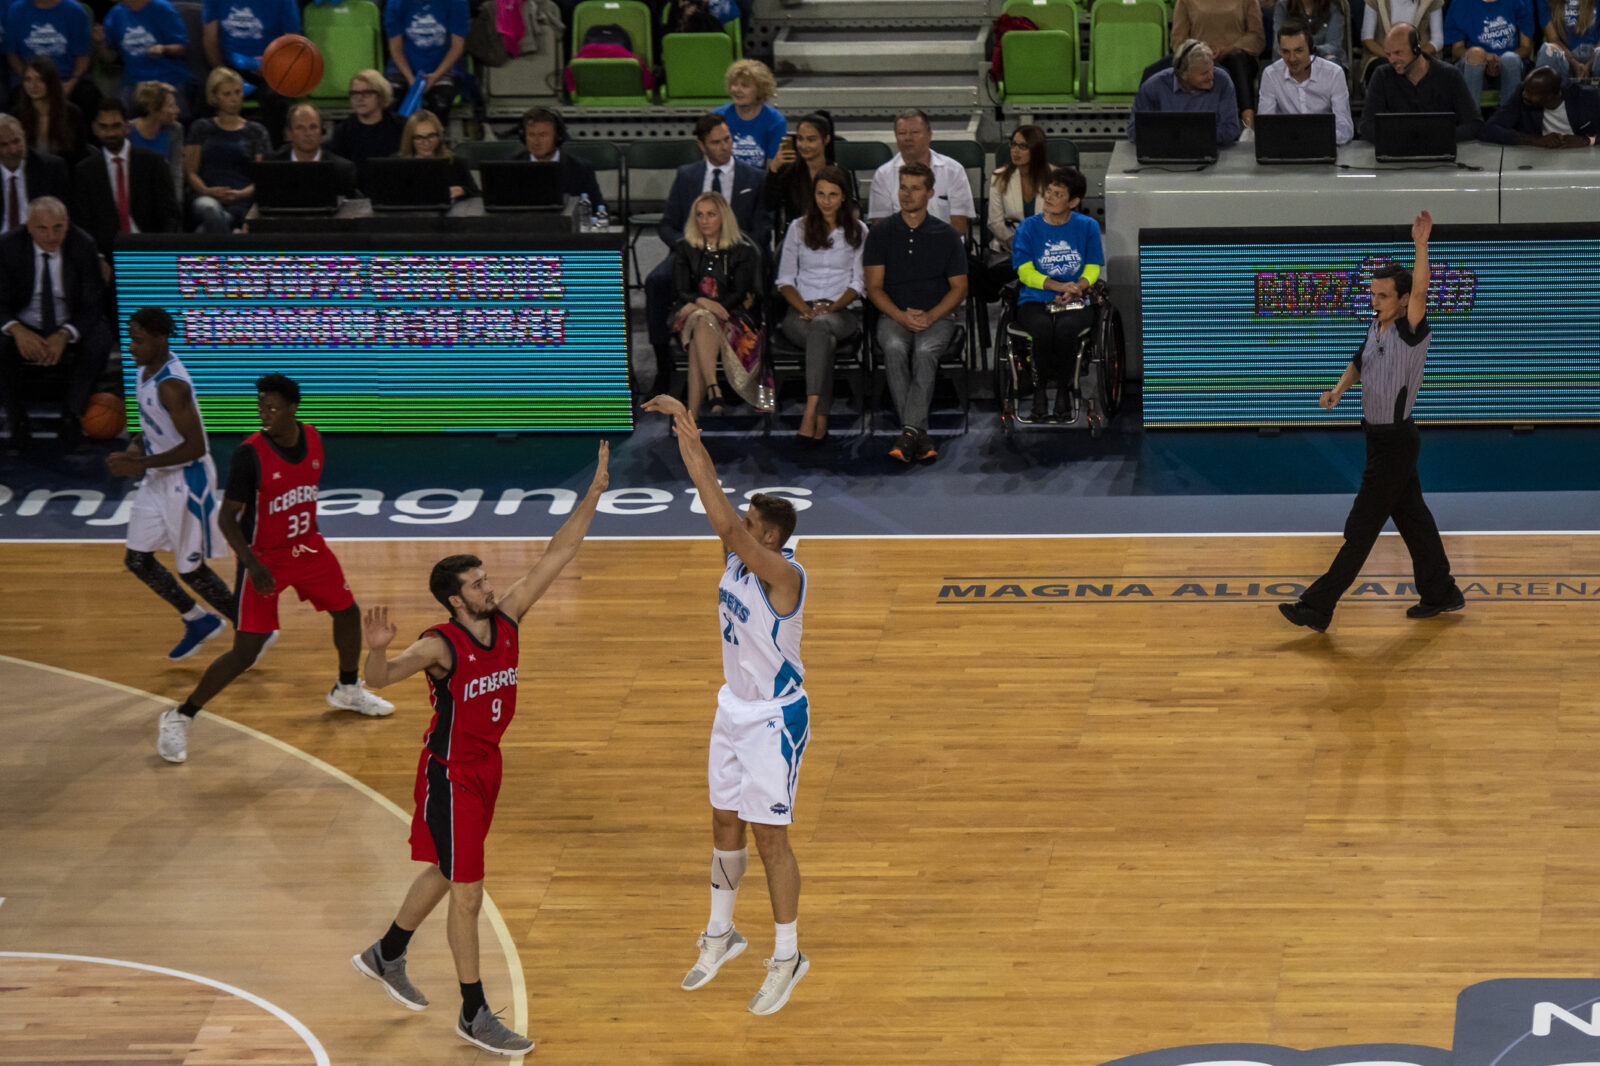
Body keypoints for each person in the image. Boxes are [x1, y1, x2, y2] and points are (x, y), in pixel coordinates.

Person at [351, 444, 609, 1057]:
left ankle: (386, 953)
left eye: (486, 578)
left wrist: (594, 493)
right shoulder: (439, 645)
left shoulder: (510, 616)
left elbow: (558, 552)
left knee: (445, 870)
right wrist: (378, 650)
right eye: (475, 585)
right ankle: (473, 1014)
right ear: (453, 600)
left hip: (487, 767)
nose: (488, 588)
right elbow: (381, 681)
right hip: (450, 776)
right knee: (467, 891)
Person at [639, 392, 812, 1017]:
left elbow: (727, 525)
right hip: (731, 708)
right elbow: (718, 504)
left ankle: (788, 955)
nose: (741, 522)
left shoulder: (785, 576)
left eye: (751, 522)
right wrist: (688, 436)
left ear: (770, 535)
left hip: (775, 718)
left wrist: (696, 452)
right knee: (723, 823)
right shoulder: (737, 561)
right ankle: (722, 933)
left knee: (772, 839)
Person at [157, 373, 394, 764]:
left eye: (272, 407)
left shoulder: (314, 438)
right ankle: (180, 716)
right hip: (264, 558)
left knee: (347, 613)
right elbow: (227, 519)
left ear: (293, 408)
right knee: (246, 651)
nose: (265, 414)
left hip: (309, 547)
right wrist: (251, 563)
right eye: (260, 407)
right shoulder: (249, 454)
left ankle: (347, 688)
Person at [1279, 211, 1464, 633]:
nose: (1375, 301)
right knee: (1413, 518)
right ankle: (1441, 591)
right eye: (1374, 294)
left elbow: (1421, 289)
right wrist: (1338, 390)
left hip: (1396, 442)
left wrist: (1421, 246)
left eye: (1383, 296)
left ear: (1402, 300)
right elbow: (1360, 362)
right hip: (1378, 440)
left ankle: (1318, 606)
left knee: (1360, 528)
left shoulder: (1411, 328)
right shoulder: (1375, 328)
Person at [106, 307, 239, 660]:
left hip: (187, 480)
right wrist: (136, 446)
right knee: (138, 560)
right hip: (158, 476)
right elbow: (148, 423)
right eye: (129, 338)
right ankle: (198, 620)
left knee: (191, 571)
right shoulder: (144, 368)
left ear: (161, 339)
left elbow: (196, 447)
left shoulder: (172, 385)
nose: (130, 346)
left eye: (137, 339)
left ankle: (252, 628)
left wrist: (139, 463)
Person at [646, 112, 766, 399]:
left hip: (735, 256)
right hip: (692, 254)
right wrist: (688, 248)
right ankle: (663, 365)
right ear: (702, 145)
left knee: (752, 279)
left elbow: (762, 228)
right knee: (656, 282)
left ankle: (748, 360)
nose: (725, 147)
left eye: (728, 140)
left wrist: (733, 248)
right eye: (716, 142)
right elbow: (667, 225)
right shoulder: (687, 176)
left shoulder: (755, 177)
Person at [863, 162, 968, 465]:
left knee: (925, 351)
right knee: (894, 348)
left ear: (930, 193)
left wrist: (931, 315)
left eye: (915, 188)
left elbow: (959, 288)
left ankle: (908, 434)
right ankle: (917, 434)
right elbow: (874, 287)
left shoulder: (947, 235)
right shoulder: (881, 234)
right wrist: (900, 315)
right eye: (903, 187)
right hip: (893, 316)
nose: (907, 194)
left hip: (937, 317)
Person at [0, 196, 112, 453]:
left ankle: (71, 415)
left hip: (67, 320)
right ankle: (17, 419)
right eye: (42, 229)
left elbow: (93, 305)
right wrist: (17, 330)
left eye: (58, 228)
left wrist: (65, 333)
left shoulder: (83, 245)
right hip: (24, 321)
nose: (51, 236)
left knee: (100, 337)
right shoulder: (7, 247)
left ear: (67, 225)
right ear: (29, 226)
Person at [774, 164, 866, 444]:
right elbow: (785, 280)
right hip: (799, 313)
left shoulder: (859, 231)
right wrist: (805, 309)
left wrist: (832, 307)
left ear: (843, 197)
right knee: (820, 332)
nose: (826, 200)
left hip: (842, 313)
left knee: (823, 326)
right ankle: (820, 419)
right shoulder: (797, 228)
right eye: (821, 194)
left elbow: (858, 283)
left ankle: (810, 412)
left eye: (833, 194)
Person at [1010, 166, 1104, 424]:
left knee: (1066, 330)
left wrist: (1077, 287)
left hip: (1076, 298)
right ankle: (1039, 392)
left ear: (1073, 201)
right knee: (1041, 329)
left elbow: (1093, 266)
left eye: (1058, 194)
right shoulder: (1028, 228)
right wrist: (1058, 286)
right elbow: (1025, 272)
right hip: (1036, 298)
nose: (1049, 198)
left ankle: (1064, 392)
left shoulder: (1088, 226)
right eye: (1048, 192)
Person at [668, 191, 763, 418]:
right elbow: (680, 290)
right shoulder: (685, 248)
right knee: (703, 319)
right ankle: (713, 388)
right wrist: (701, 302)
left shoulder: (743, 251)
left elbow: (738, 294)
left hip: (733, 317)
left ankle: (692, 417)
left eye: (711, 214)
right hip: (690, 316)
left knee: (701, 328)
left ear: (723, 217)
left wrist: (701, 307)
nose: (704, 220)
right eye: (699, 215)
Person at [73, 97, 182, 260]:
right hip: (107, 257)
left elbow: (170, 215)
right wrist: (98, 257)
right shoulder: (85, 171)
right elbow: (82, 222)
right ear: (95, 129)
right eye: (104, 127)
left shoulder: (153, 163)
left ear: (127, 126)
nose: (110, 133)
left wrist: (160, 251)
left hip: (151, 251)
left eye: (116, 126)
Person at [1359, 22, 1481, 140]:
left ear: (1417, 48)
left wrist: (1439, 138)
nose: (1392, 60)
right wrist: (1404, 138)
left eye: (1398, 53)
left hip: (1439, 150)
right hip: (1398, 151)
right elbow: (1367, 126)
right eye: (1388, 54)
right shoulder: (1382, 76)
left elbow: (1474, 123)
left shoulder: (1449, 75)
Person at [185, 66, 269, 233]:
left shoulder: (256, 131)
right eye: (227, 94)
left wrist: (240, 194)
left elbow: (262, 177)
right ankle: (230, 240)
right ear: (214, 97)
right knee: (210, 210)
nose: (234, 99)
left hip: (243, 200)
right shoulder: (201, 128)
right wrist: (207, 191)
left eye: (238, 92)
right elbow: (191, 172)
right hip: (206, 197)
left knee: (203, 231)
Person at [865, 108, 975, 236]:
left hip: (944, 245)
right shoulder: (883, 175)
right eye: (902, 133)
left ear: (929, 135)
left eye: (915, 132)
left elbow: (959, 227)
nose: (908, 138)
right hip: (899, 247)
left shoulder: (954, 171)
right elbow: (880, 226)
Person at [201, 0, 298, 141]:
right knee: (205, 98)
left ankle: (271, 155)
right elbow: (210, 39)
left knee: (275, 99)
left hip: (271, 69)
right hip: (230, 68)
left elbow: (294, 41)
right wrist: (221, 73)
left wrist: (273, 62)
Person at [1128, 40, 1244, 145]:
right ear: (1184, 74)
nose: (1211, 76)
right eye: (1204, 73)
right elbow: (1135, 132)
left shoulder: (1222, 81)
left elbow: (1231, 129)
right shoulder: (1152, 87)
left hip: (1211, 150)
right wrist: (1177, 140)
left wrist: (1190, 138)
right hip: (1165, 152)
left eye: (1211, 69)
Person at [1258, 20, 1356, 144]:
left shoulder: (1334, 74)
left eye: (1298, 51)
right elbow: (1265, 127)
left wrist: (1311, 140)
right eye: (1286, 52)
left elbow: (1345, 129)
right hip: (1286, 149)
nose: (1292, 58)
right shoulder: (1271, 75)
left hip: (1324, 147)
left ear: (1310, 49)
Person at [1171, 0, 1265, 127]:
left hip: (1238, 57)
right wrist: (1202, 51)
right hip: (1197, 58)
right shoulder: (1184, 2)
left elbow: (1256, 36)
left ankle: (1248, 122)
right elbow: (1178, 40)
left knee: (1237, 59)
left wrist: (1228, 49)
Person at [983, 123, 1048, 300]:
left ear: (1036, 150)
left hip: (1045, 247)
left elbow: (1060, 219)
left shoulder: (1053, 177)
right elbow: (994, 222)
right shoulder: (1000, 177)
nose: (1015, 151)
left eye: (1023, 146)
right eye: (1013, 144)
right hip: (1009, 247)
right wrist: (1016, 244)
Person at [384, 0, 472, 127]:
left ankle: (433, 141)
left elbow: (457, 46)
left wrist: (436, 75)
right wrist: (410, 79)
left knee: (441, 101)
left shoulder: (457, 2)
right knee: (391, 99)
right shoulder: (396, 3)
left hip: (443, 67)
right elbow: (395, 47)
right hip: (403, 67)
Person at [5, 0, 97, 119]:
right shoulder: (16, 10)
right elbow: (12, 55)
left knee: (88, 97)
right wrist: (30, 81)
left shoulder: (75, 11)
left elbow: (83, 56)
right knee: (15, 102)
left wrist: (71, 83)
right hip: (30, 80)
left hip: (67, 80)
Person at [765, 111, 851, 236]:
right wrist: (773, 170)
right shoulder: (789, 172)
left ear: (826, 139)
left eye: (811, 140)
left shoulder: (840, 173)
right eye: (800, 139)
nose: (804, 145)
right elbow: (769, 204)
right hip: (796, 238)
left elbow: (846, 213)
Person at [101, 0, 192, 118]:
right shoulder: (115, 14)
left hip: (168, 79)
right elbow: (109, 58)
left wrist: (164, 49)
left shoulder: (162, 8)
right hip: (134, 82)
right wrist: (100, 42)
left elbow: (182, 48)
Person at [1444, 0, 1537, 107]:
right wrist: (1485, 57)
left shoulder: (1521, 2)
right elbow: (1457, 50)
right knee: (1476, 54)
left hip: (1511, 66)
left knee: (1510, 58)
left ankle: (1509, 118)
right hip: (1474, 66)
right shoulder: (1460, 4)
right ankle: (1471, 119)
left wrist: (1500, 60)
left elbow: (1526, 48)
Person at [1479, 63, 1600, 143]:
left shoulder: (1586, 97)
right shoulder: (1522, 94)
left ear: (1551, 95)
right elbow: (1489, 129)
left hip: (1582, 161)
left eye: (1531, 92)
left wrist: (1588, 140)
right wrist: (1535, 140)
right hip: (1538, 160)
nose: (1524, 94)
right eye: (1525, 89)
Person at [329, 70, 405, 190]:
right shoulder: (343, 130)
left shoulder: (400, 126)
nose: (359, 98)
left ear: (381, 95)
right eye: (354, 93)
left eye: (366, 93)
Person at [0, 112, 72, 234]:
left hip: (39, 241)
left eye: (16, 141)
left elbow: (65, 216)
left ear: (24, 135)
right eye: (3, 145)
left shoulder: (50, 168)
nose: (13, 150)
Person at [518, 106, 603, 208]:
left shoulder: (581, 169)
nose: (536, 141)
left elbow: (598, 209)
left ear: (558, 137)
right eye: (531, 135)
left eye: (543, 135)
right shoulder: (512, 169)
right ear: (524, 137)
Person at [270, 102, 359, 198]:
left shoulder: (342, 170)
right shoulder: (272, 169)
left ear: (322, 132)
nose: (308, 133)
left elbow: (352, 210)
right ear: (289, 133)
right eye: (300, 128)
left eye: (313, 127)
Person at [714, 58, 786, 171]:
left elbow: (773, 168)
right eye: (734, 84)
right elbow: (710, 162)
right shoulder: (717, 117)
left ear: (760, 90)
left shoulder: (775, 121)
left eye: (744, 86)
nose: (737, 90)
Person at [12, 56, 86, 165]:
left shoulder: (72, 113)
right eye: (28, 79)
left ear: (51, 82)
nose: (33, 85)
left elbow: (80, 156)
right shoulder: (17, 116)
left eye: (40, 79)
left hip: (66, 176)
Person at [396, 108, 476, 200]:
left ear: (439, 136)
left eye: (431, 136)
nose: (426, 143)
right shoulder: (397, 164)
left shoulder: (455, 163)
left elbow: (476, 194)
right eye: (419, 137)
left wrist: (463, 190)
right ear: (410, 139)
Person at [128, 80, 184, 201]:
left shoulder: (175, 130)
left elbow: (175, 173)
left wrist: (176, 205)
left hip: (162, 196)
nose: (177, 110)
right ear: (153, 109)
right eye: (171, 106)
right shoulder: (127, 131)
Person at [1361, 0, 1444, 77]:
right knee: (1385, 69)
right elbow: (1367, 39)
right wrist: (1393, 57)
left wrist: (1414, 57)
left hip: (1420, 55)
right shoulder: (1374, 1)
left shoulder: (1432, 1)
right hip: (1382, 56)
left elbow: (1438, 40)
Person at [1533, 0, 1599, 79]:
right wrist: (1574, 63)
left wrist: (1590, 63)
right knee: (1546, 50)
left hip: (1595, 55)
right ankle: (1548, 90)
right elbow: (1553, 38)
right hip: (1565, 55)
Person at [1271, 0, 1349, 62]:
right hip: (1291, 59)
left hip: (1323, 59)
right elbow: (1279, 44)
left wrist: (1309, 51)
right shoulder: (1283, 5)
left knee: (1332, 61)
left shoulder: (1334, 6)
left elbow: (1334, 46)